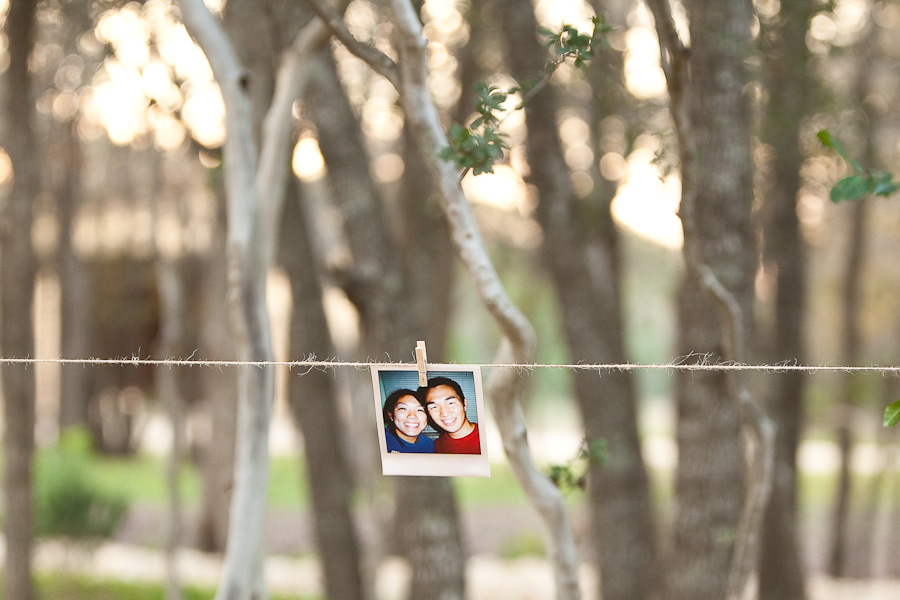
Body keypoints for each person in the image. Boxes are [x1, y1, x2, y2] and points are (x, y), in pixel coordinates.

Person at [422, 376, 480, 454]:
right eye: (434, 407)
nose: (445, 413)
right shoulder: (435, 448)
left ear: (464, 404)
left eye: (450, 403)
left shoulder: (488, 436)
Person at [383, 388, 434, 453]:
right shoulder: (379, 439)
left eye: (420, 410)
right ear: (391, 415)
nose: (412, 416)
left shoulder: (427, 444)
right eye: (403, 408)